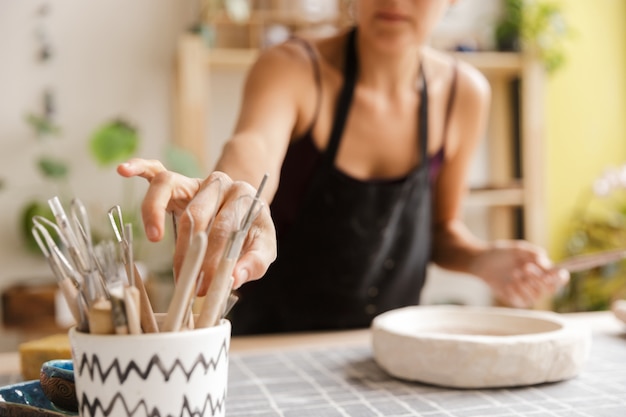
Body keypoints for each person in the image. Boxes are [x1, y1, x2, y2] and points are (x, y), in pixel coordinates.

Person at [118, 0, 569, 334]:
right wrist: (234, 193)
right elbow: (252, 147)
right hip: (274, 342)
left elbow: (442, 229)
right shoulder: (293, 68)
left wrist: (482, 259)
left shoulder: (463, 94)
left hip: (390, 348)